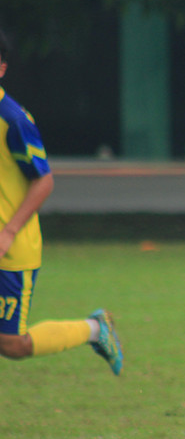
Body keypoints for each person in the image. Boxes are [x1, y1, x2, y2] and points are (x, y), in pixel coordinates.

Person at [0, 29, 122, 374]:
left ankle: (95, 329)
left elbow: (44, 181)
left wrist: (8, 232)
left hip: (11, 249)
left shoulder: (13, 120)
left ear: (2, 69)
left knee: (10, 344)